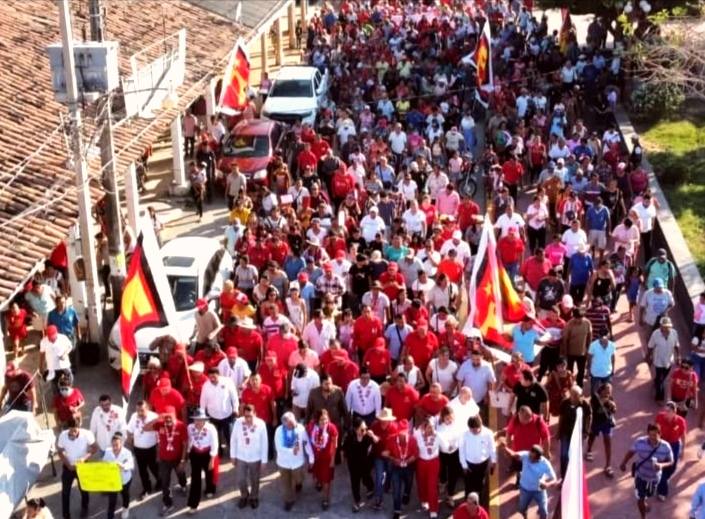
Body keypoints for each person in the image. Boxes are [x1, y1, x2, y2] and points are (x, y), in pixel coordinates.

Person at [619, 423, 674, 519]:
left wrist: (661, 465)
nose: (653, 438)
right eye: (651, 435)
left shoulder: (666, 446)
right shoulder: (640, 442)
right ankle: (643, 516)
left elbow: (671, 461)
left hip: (654, 478)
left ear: (660, 434)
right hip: (640, 476)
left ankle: (644, 500)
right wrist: (624, 463)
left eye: (655, 435)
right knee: (640, 498)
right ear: (647, 434)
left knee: (649, 494)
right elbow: (631, 452)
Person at [143, 406, 188, 516]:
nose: (167, 420)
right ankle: (168, 503)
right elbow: (145, 428)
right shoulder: (160, 424)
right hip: (164, 460)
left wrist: (183, 460)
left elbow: (185, 444)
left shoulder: (181, 426)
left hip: (177, 458)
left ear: (174, 416)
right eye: (165, 418)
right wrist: (157, 418)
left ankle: (183, 485)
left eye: (170, 417)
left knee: (181, 474)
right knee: (165, 482)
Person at [497, 441, 558, 519]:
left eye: (532, 458)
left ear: (539, 458)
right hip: (525, 489)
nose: (530, 459)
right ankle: (525, 516)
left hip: (539, 491)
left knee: (544, 511)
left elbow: (554, 479)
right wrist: (505, 447)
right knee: (522, 509)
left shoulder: (545, 464)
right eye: (530, 455)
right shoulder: (526, 455)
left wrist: (547, 484)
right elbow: (514, 455)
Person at [57, 418, 97, 519]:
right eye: (70, 431)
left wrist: (84, 458)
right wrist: (68, 465)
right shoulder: (63, 435)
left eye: (75, 430)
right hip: (68, 467)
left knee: (84, 490)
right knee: (65, 493)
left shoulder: (87, 434)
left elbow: (95, 447)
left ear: (79, 427)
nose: (73, 433)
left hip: (82, 466)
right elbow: (60, 451)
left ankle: (84, 508)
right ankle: (66, 516)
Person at [230, 403, 268, 509]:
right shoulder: (238, 423)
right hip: (241, 456)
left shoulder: (261, 424)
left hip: (255, 457)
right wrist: (233, 455)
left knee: (255, 479)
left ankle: (254, 497)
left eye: (250, 416)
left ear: (255, 414)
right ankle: (244, 495)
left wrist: (264, 460)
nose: (248, 419)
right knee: (241, 479)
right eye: (246, 416)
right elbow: (233, 440)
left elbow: (264, 443)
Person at [275, 411, 314, 511]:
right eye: (291, 424)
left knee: (299, 479)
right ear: (285, 424)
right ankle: (289, 500)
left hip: (297, 462)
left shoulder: (300, 428)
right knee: (286, 483)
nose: (294, 425)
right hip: (283, 463)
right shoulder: (279, 431)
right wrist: (292, 450)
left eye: (294, 422)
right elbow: (279, 448)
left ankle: (298, 483)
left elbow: (307, 443)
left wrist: (311, 458)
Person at [459, 415, 496, 508]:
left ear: (480, 425)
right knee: (468, 485)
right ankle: (467, 504)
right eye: (472, 430)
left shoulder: (488, 433)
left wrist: (493, 461)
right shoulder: (464, 435)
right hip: (469, 465)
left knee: (480, 484)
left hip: (483, 464)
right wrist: (464, 465)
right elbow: (461, 451)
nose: (474, 432)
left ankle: (478, 503)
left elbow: (492, 448)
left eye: (476, 430)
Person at [383, 421, 419, 519]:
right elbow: (386, 453)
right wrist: (394, 459)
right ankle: (397, 510)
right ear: (397, 432)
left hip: (409, 466)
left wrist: (407, 461)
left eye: (404, 432)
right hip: (396, 467)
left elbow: (415, 454)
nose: (402, 435)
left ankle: (406, 494)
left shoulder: (412, 440)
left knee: (408, 483)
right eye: (400, 433)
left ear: (407, 431)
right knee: (396, 489)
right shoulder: (391, 439)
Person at [186, 409, 219, 513]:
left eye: (200, 420)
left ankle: (210, 489)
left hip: (207, 454)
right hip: (195, 454)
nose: (198, 422)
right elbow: (190, 440)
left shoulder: (211, 428)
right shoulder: (190, 427)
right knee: (195, 478)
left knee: (209, 473)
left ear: (205, 420)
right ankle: (193, 504)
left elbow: (215, 444)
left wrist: (212, 459)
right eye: (196, 420)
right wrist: (188, 452)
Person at [200, 367, 239, 454]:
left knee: (229, 435)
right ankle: (219, 452)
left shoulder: (228, 382)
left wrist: (236, 408)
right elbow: (203, 401)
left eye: (214, 376)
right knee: (215, 436)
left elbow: (234, 397)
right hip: (213, 415)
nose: (212, 379)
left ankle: (234, 452)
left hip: (227, 414)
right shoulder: (206, 386)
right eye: (210, 377)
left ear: (219, 375)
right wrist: (202, 415)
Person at [126, 400, 160, 500]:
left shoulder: (154, 417)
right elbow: (129, 429)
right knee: (142, 470)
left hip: (151, 448)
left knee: (154, 468)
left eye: (142, 410)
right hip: (138, 448)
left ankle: (160, 482)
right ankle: (146, 489)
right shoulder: (134, 416)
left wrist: (159, 449)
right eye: (137, 410)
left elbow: (159, 432)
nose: (139, 413)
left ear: (147, 408)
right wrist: (129, 438)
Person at [342, 416, 376, 513]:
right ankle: (357, 501)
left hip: (365, 463)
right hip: (353, 464)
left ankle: (370, 488)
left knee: (366, 478)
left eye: (366, 428)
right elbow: (344, 449)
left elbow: (376, 441)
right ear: (355, 429)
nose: (364, 431)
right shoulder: (349, 437)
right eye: (362, 429)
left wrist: (373, 436)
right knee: (355, 483)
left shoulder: (367, 436)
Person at [655, 401, 687, 500]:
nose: (666, 413)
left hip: (674, 445)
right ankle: (662, 492)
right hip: (662, 443)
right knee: (662, 469)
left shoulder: (681, 421)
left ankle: (663, 479)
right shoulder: (660, 417)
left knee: (673, 467)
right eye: (665, 410)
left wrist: (683, 449)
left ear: (674, 412)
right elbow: (655, 430)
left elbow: (683, 436)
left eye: (668, 411)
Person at [307, 409, 339, 510]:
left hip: (327, 459)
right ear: (317, 420)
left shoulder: (331, 428)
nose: (324, 421)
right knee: (316, 474)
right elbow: (306, 439)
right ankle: (318, 482)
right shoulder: (312, 426)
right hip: (315, 457)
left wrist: (332, 460)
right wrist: (310, 458)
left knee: (326, 479)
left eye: (326, 419)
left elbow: (335, 445)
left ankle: (325, 499)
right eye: (321, 419)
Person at [558, 385, 592, 477]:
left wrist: (586, 431)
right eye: (573, 395)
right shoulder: (565, 403)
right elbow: (561, 417)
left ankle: (574, 475)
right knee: (564, 455)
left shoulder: (585, 404)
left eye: (577, 395)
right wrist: (558, 432)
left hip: (578, 434)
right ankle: (563, 476)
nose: (574, 397)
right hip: (566, 432)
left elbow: (589, 417)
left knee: (575, 456)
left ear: (580, 395)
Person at [646, 316, 680, 403]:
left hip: (669, 361)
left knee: (663, 377)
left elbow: (677, 345)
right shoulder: (655, 334)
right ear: (660, 326)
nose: (665, 328)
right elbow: (650, 346)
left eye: (667, 326)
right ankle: (659, 397)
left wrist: (679, 356)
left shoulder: (674, 333)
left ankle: (656, 381)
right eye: (663, 326)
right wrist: (648, 357)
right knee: (661, 380)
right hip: (658, 361)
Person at [586, 383, 617, 478]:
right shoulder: (595, 398)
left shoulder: (610, 398)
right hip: (597, 422)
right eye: (607, 391)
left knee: (608, 441)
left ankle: (608, 465)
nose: (608, 393)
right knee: (592, 436)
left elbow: (614, 411)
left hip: (606, 423)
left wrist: (613, 406)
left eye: (609, 392)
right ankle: (589, 450)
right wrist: (603, 403)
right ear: (602, 390)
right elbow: (594, 411)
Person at [413, 418, 441, 518]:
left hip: (433, 462)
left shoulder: (438, 435)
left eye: (432, 427)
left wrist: (450, 447)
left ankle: (433, 509)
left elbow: (446, 446)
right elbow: (412, 438)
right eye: (429, 427)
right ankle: (424, 500)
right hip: (421, 462)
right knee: (422, 482)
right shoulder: (418, 434)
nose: (431, 429)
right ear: (424, 428)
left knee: (432, 485)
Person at [103, 433, 134, 519]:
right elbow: (104, 463)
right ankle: (110, 515)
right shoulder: (108, 451)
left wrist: (123, 466)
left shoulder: (127, 453)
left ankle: (125, 508)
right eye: (113, 445)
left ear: (121, 443)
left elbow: (131, 465)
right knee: (112, 499)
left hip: (125, 480)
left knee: (125, 495)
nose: (115, 447)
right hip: (113, 481)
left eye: (117, 445)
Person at [560, 307, 592, 387]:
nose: (579, 320)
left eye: (581, 317)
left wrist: (588, 349)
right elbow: (565, 340)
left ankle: (579, 385)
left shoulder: (587, 323)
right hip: (571, 353)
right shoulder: (569, 324)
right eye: (577, 318)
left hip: (582, 352)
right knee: (569, 371)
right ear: (574, 317)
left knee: (581, 371)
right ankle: (569, 385)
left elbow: (589, 336)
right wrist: (565, 353)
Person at [39, 324, 73, 389]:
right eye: (49, 337)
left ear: (56, 334)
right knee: (55, 387)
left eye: (52, 338)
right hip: (52, 368)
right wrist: (41, 367)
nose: (50, 339)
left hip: (64, 366)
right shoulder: (43, 342)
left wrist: (65, 354)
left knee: (68, 385)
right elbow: (42, 354)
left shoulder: (63, 338)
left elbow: (70, 347)